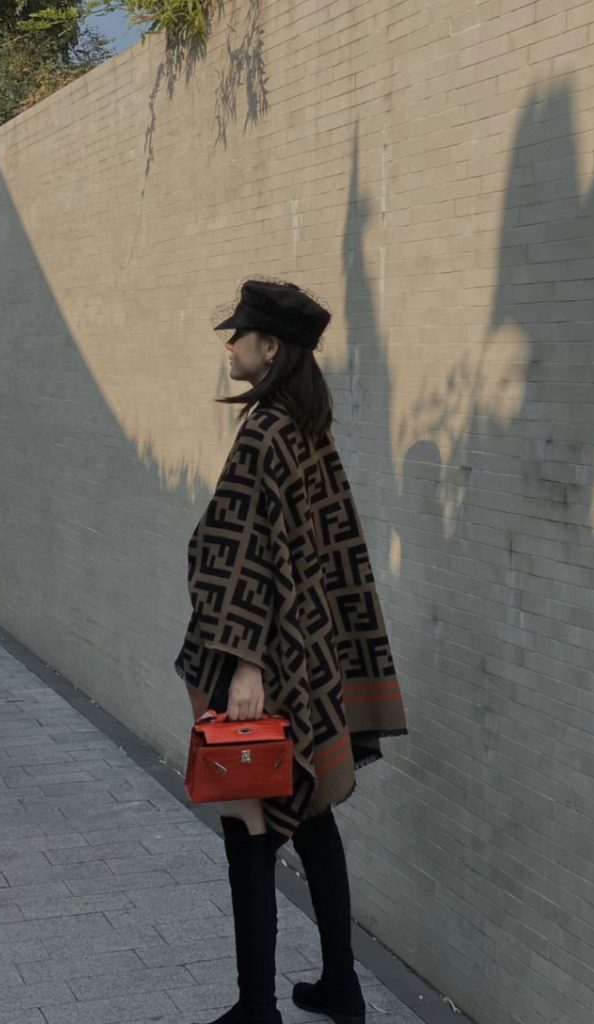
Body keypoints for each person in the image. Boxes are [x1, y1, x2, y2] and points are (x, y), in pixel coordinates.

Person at [174, 277, 409, 1024]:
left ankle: (256, 1008)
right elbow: (304, 556)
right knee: (310, 815)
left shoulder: (266, 432)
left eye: (238, 333)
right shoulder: (306, 429)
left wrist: (246, 664)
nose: (229, 344)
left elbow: (247, 555)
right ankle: (340, 987)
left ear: (270, 347)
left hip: (262, 663)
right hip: (304, 657)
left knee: (247, 819)